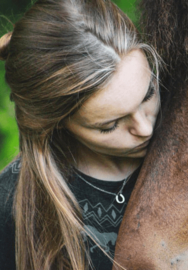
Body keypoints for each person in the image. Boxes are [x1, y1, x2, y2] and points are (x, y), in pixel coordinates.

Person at [0, 0, 160, 269]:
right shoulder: (10, 205)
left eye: (150, 94)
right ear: (58, 122)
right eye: (109, 125)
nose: (145, 129)